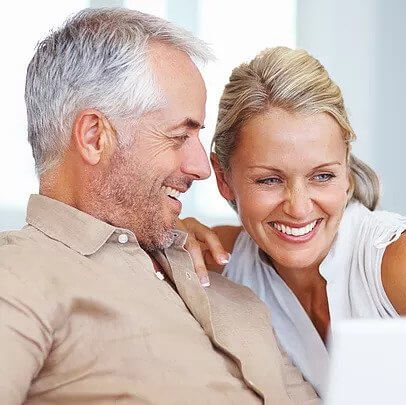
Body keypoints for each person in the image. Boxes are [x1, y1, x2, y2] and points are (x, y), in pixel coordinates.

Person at [0, 10, 320, 404]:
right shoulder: (18, 277)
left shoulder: (223, 283)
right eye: (179, 136)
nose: (202, 167)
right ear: (94, 137)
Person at [180, 46, 406, 397]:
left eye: (322, 176)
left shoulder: (404, 261)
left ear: (347, 173)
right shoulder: (221, 258)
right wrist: (167, 236)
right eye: (269, 180)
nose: (298, 208)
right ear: (223, 179)